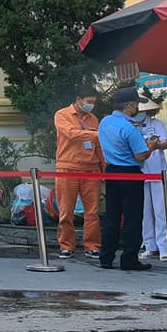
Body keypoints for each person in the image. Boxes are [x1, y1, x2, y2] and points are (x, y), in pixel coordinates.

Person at [97, 86, 153, 271]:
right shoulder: (129, 128)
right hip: (130, 173)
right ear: (129, 106)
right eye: (136, 104)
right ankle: (129, 259)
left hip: (111, 172)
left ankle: (106, 257)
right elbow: (140, 156)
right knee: (132, 218)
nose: (138, 108)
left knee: (112, 216)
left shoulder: (104, 122)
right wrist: (152, 146)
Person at [53, 89, 104, 261]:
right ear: (78, 99)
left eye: (94, 102)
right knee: (66, 211)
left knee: (92, 212)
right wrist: (96, 134)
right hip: (67, 168)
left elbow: (98, 146)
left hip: (91, 169)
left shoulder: (93, 119)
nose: (91, 105)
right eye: (89, 101)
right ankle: (66, 246)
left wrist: (104, 167)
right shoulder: (62, 115)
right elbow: (71, 133)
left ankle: (92, 246)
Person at [137, 93, 167, 262]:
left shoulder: (156, 124)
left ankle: (164, 247)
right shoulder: (129, 126)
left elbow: (166, 142)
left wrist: (154, 145)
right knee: (145, 212)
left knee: (160, 211)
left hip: (158, 171)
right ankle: (150, 246)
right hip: (140, 172)